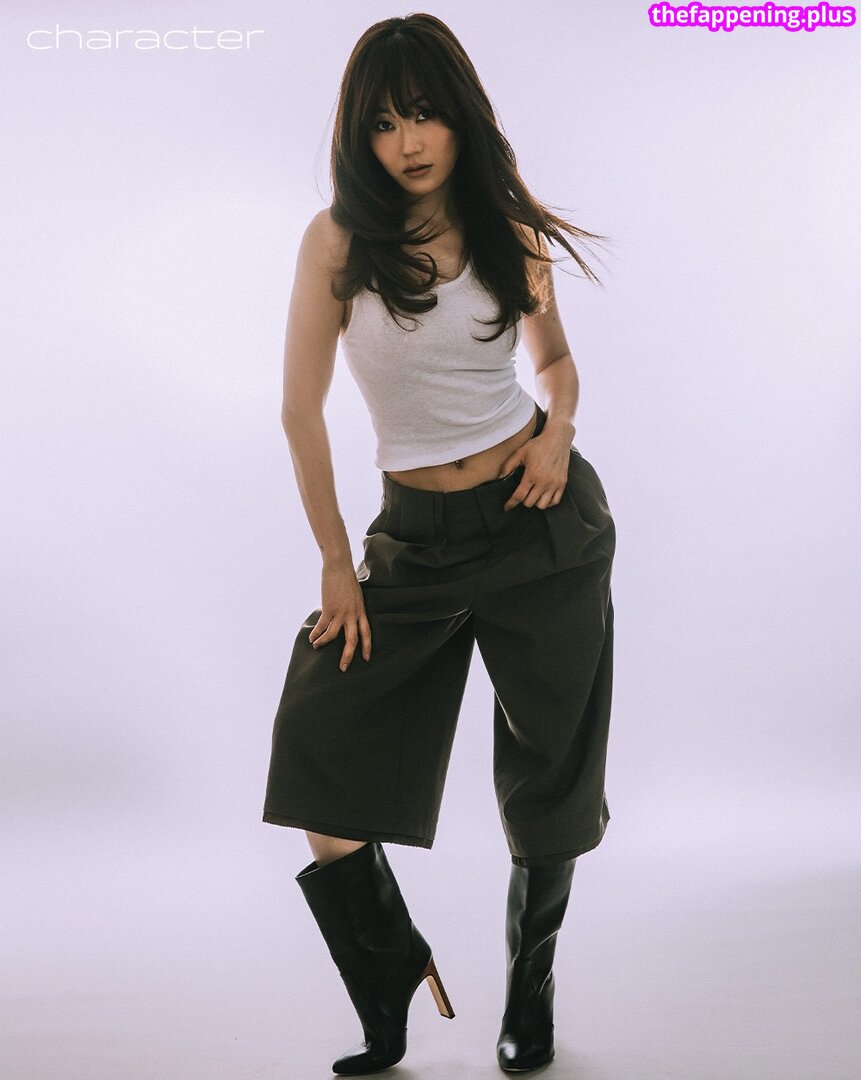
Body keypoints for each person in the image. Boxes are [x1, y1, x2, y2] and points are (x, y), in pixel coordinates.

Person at [262, 12, 616, 1076]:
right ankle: (388, 972)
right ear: (357, 137)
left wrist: (558, 431)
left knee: (551, 771)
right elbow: (299, 409)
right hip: (412, 541)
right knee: (318, 748)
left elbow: (555, 364)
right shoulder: (337, 242)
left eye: (423, 114)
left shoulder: (504, 227)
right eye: (382, 123)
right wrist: (338, 562)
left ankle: (529, 988)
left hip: (539, 521)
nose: (408, 142)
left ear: (459, 115)